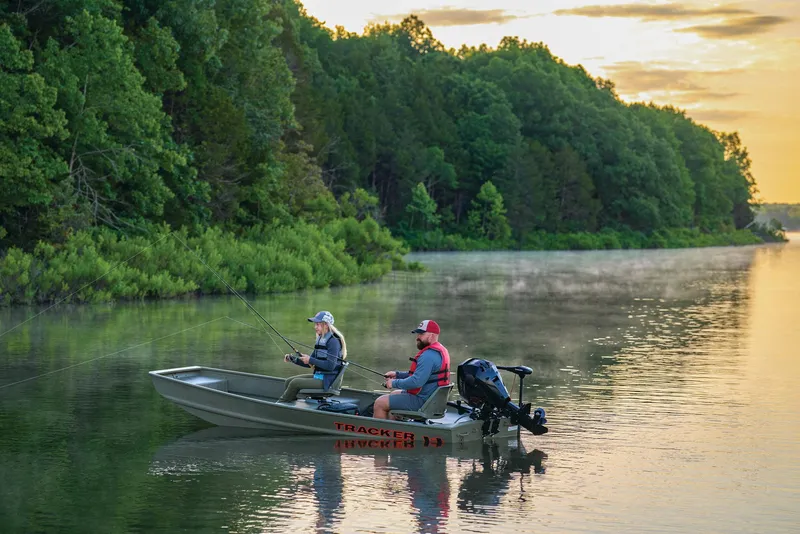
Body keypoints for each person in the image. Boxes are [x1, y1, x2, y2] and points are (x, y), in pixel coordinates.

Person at [372, 319, 450, 419]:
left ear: (431, 335)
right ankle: (396, 430)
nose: (417, 337)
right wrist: (398, 375)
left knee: (380, 403)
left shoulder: (428, 356)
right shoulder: (438, 351)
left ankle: (380, 433)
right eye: (417, 334)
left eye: (421, 334)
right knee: (394, 394)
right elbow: (422, 375)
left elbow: (416, 382)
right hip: (431, 399)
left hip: (423, 402)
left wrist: (394, 383)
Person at [277, 310, 347, 403]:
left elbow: (330, 366)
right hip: (320, 376)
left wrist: (311, 359)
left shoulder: (333, 341)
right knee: (289, 381)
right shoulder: (321, 339)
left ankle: (281, 404)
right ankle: (291, 405)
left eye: (318, 324)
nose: (315, 327)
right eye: (315, 324)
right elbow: (309, 363)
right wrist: (293, 359)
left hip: (328, 381)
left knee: (295, 383)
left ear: (326, 325)